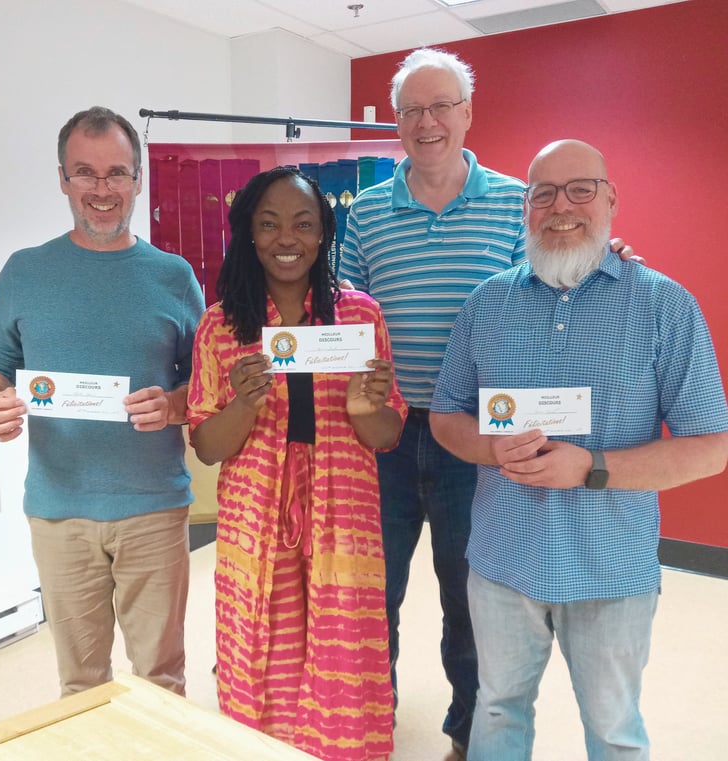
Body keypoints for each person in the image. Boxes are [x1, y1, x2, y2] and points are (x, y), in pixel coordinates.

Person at [338, 47, 637, 759]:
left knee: (469, 601)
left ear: (468, 114)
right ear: (398, 123)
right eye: (411, 110)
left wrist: (607, 256)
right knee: (368, 594)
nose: (427, 121)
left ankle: (469, 734)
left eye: (441, 106)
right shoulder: (367, 213)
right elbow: (345, 318)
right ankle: (362, 722)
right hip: (384, 434)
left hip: (477, 436)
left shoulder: (521, 202)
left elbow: (552, 289)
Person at [429, 139, 728, 760]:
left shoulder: (664, 306)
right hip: (501, 560)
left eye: (579, 190)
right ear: (525, 208)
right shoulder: (487, 303)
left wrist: (590, 467)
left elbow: (710, 449)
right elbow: (443, 415)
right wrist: (489, 450)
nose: (561, 207)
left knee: (615, 730)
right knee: (496, 706)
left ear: (611, 200)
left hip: (611, 567)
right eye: (543, 194)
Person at [0, 106, 205, 697]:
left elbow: (206, 379)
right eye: (85, 173)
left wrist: (176, 405)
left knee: (160, 678)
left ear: (137, 179)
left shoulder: (173, 276)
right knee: (80, 684)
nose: (102, 191)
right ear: (63, 179)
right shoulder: (25, 272)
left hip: (153, 507)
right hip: (59, 510)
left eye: (117, 174)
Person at [186, 166, 407, 761]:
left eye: (304, 224)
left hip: (344, 509)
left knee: (343, 639)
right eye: (270, 224)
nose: (288, 238)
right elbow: (208, 446)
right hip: (255, 514)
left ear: (323, 235)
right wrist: (243, 404)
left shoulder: (360, 317)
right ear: (250, 234)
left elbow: (386, 434)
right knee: (262, 637)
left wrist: (365, 409)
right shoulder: (221, 325)